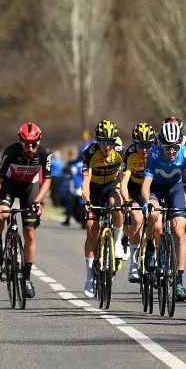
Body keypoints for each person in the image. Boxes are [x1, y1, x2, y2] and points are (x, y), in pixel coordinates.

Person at [0, 122, 53, 299]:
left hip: (29, 189)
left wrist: (38, 202)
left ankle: (26, 278)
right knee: (2, 213)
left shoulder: (45, 154)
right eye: (26, 144)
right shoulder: (11, 152)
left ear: (39, 141)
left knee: (30, 233)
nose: (31, 147)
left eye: (34, 143)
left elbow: (47, 180)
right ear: (20, 142)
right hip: (10, 186)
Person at [141, 121, 186, 302]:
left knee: (179, 232)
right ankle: (150, 246)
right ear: (161, 145)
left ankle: (179, 281)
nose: (171, 151)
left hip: (175, 189)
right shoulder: (154, 154)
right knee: (154, 217)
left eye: (174, 147)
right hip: (156, 189)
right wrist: (146, 202)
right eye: (167, 147)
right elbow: (146, 184)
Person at [81, 120, 125, 298]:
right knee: (92, 230)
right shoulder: (90, 153)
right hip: (95, 189)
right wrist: (86, 198)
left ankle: (117, 243)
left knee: (118, 207)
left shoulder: (120, 153)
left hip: (112, 186)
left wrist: (126, 198)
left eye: (111, 142)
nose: (107, 146)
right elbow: (85, 182)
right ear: (97, 140)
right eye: (103, 142)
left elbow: (124, 181)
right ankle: (90, 277)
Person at [120, 122, 154, 282]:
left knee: (156, 222)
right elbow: (124, 181)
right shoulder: (130, 154)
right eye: (140, 145)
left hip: (153, 189)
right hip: (134, 190)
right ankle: (133, 265)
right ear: (135, 144)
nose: (144, 149)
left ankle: (154, 255)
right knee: (137, 219)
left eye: (148, 145)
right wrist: (126, 200)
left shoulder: (156, 153)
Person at [59, 150, 77, 225]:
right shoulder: (69, 163)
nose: (70, 157)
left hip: (76, 185)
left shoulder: (76, 163)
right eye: (70, 155)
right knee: (68, 202)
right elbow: (64, 171)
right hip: (69, 185)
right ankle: (68, 218)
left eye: (71, 155)